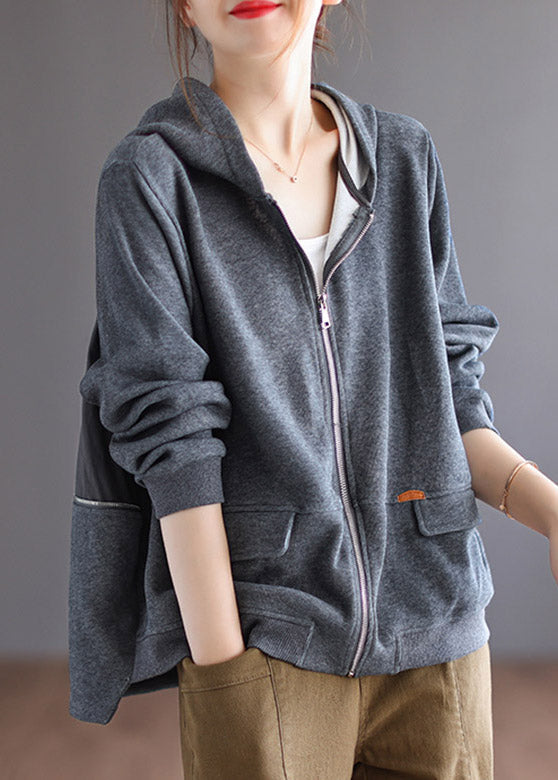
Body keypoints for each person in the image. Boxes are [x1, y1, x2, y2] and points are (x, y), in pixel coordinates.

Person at [68, 1, 558, 777]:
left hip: (439, 632)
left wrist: (552, 511)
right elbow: (172, 444)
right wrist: (225, 668)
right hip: (267, 644)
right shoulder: (152, 180)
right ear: (184, 6)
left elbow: (453, 400)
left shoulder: (404, 159)